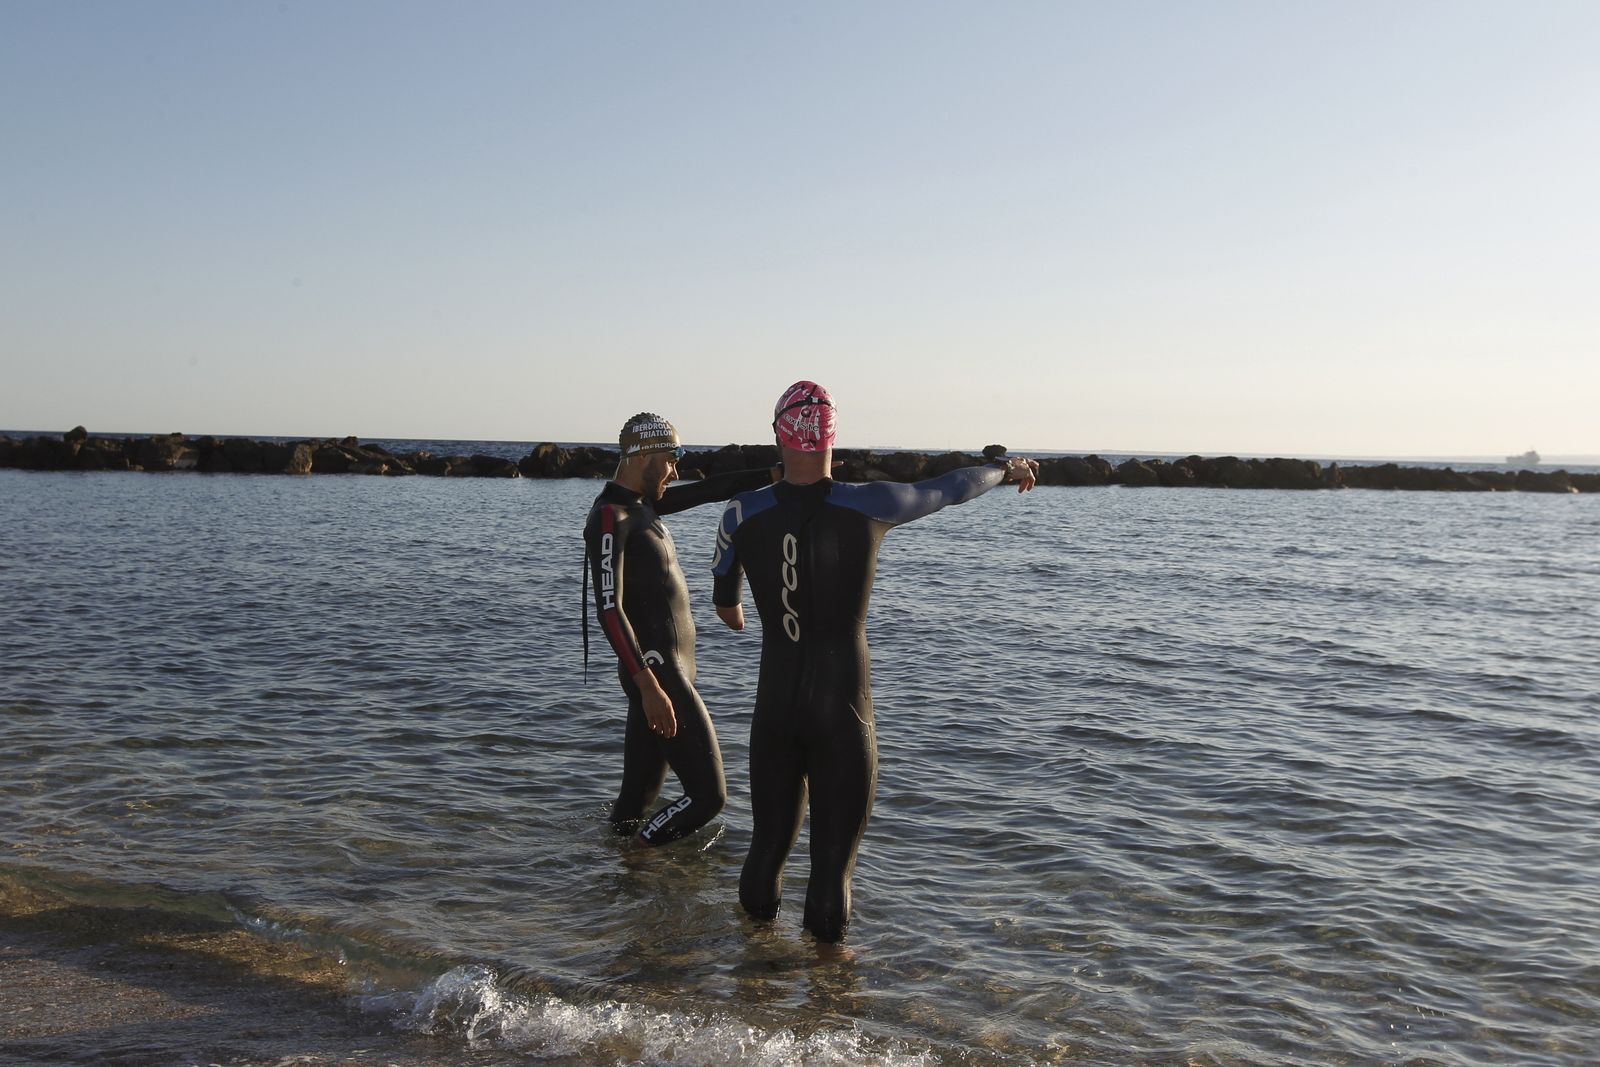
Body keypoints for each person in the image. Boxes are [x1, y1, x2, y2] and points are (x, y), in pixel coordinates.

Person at [711, 381, 1038, 941]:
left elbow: (725, 602)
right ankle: (825, 993)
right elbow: (952, 488)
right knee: (832, 869)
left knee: (766, 850)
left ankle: (751, 971)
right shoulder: (870, 503)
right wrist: (1005, 469)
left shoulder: (740, 514)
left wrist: (745, 607)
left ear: (777, 436)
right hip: (842, 708)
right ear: (833, 435)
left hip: (776, 706)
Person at [583, 413, 772, 846]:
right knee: (708, 797)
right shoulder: (612, 516)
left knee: (636, 800)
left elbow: (711, 490)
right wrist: (649, 687)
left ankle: (611, 879)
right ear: (643, 455)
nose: (676, 469)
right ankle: (640, 855)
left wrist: (777, 474)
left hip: (663, 674)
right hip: (658, 673)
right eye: (671, 458)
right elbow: (609, 611)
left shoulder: (643, 505)